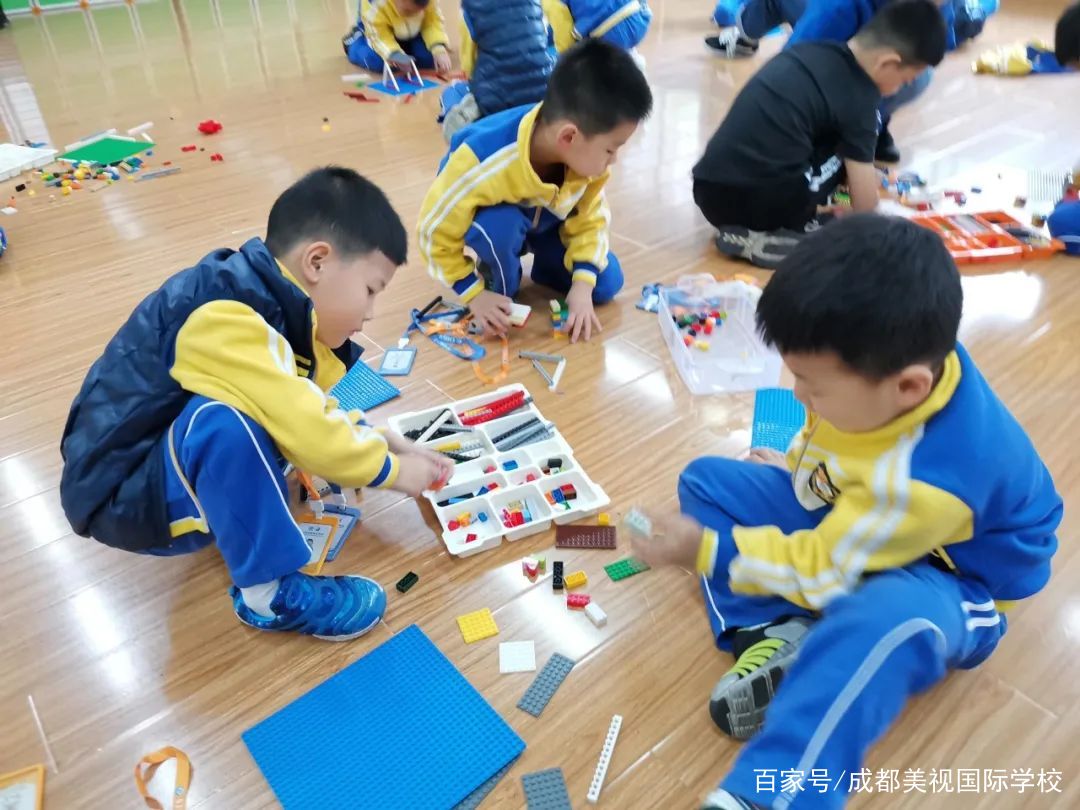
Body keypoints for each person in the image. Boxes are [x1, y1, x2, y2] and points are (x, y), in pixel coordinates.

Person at [630, 214, 1063, 810]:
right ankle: (770, 631)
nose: (798, 395)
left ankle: (770, 797)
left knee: (887, 613)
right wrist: (794, 469)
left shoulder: (922, 481)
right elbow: (834, 438)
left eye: (812, 384)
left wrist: (704, 550)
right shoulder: (891, 359)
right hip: (873, 529)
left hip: (958, 583)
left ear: (908, 388)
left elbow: (823, 567)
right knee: (706, 482)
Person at [60, 168, 454, 641]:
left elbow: (304, 404)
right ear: (317, 262)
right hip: (120, 493)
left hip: (152, 462)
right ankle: (269, 596)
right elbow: (305, 426)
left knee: (271, 417)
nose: (370, 313)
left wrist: (382, 440)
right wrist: (393, 471)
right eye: (370, 290)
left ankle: (232, 511)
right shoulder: (225, 313)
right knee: (226, 424)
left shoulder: (273, 306)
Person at [417, 40, 652, 343]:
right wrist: (473, 293)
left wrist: (582, 285)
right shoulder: (482, 160)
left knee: (606, 282)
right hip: (497, 223)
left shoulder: (585, 162)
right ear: (569, 136)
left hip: (545, 222)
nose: (614, 159)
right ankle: (499, 276)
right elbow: (432, 230)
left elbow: (591, 218)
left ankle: (546, 266)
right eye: (610, 149)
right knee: (502, 259)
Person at [692, 0, 946, 268]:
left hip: (710, 191)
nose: (900, 89)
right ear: (888, 63)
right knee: (852, 213)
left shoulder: (816, 49)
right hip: (761, 203)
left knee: (836, 155)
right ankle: (781, 234)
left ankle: (762, 228)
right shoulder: (861, 98)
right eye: (905, 80)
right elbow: (866, 209)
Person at [706, 0, 997, 162]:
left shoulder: (942, 7)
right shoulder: (834, 9)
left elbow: (931, 52)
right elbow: (790, 73)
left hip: (869, 42)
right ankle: (743, 33)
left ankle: (873, 125)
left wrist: (863, 126)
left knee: (918, 77)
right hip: (822, 20)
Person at [438, 0, 554, 142]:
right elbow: (542, 38)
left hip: (497, 97)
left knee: (453, 92)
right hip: (543, 88)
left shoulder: (471, 7)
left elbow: (468, 65)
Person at [342, 0, 453, 76]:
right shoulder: (375, 5)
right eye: (408, 11)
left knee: (429, 60)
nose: (412, 15)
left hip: (412, 31)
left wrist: (438, 47)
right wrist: (393, 54)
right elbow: (379, 36)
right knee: (379, 63)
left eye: (419, 11)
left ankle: (403, 48)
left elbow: (432, 22)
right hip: (376, 31)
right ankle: (354, 42)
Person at [543, 0, 653, 60]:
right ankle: (631, 59)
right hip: (639, 15)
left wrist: (566, 58)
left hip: (608, 31)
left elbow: (562, 31)